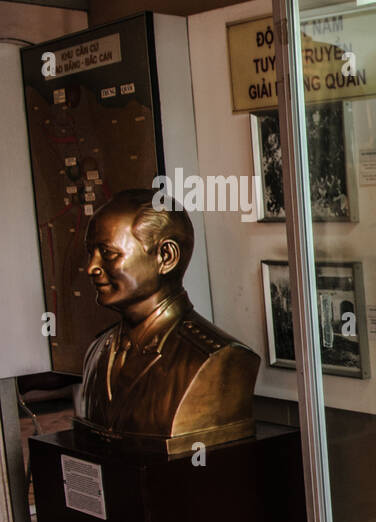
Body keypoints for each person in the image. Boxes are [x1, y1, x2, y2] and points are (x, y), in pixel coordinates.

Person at [76, 189, 259, 454]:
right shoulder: (97, 350)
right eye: (90, 252)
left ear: (166, 257)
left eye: (108, 252)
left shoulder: (218, 357)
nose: (92, 267)